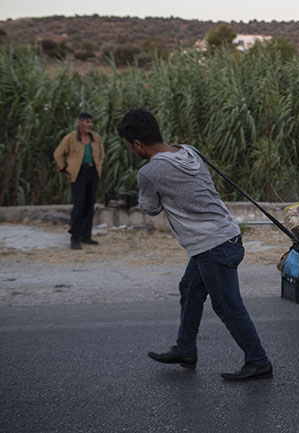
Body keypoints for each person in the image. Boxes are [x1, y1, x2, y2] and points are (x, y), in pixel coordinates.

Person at [116, 108, 272, 382]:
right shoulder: (189, 150)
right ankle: (185, 349)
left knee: (227, 306)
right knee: (189, 288)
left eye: (131, 146)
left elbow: (150, 208)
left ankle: (258, 361)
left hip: (212, 244)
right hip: (226, 235)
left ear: (137, 144)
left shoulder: (149, 172)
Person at [53, 112, 104, 250]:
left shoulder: (96, 138)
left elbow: (101, 154)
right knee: (79, 205)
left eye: (91, 122)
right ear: (80, 122)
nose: (89, 125)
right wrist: (66, 169)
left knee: (89, 204)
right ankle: (74, 237)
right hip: (78, 173)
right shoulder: (71, 138)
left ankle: (85, 236)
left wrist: (98, 167)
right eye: (87, 122)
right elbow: (58, 154)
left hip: (92, 172)